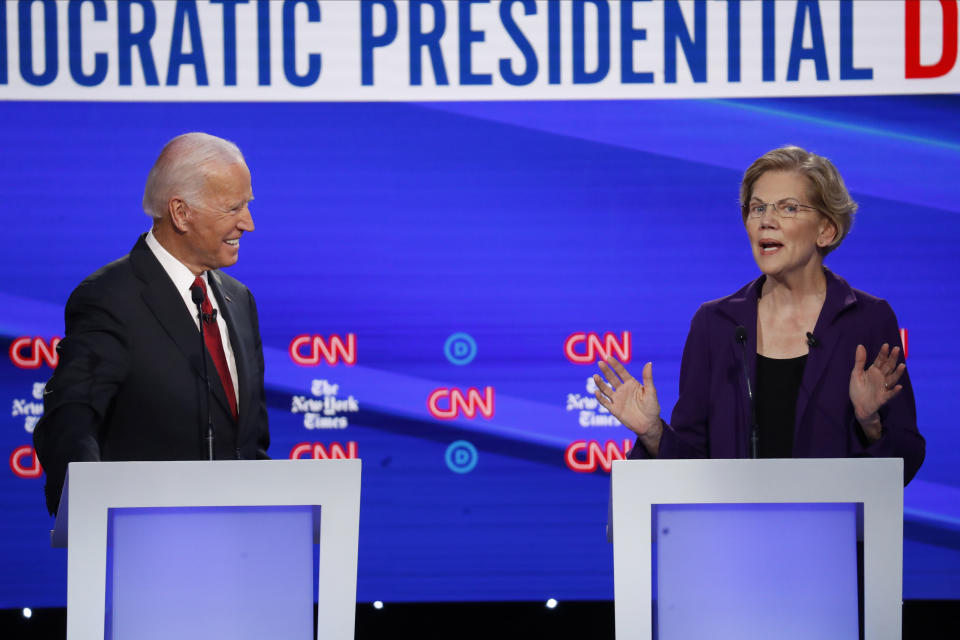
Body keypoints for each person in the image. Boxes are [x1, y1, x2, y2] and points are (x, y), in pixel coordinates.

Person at [593, 146, 924, 484]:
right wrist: (652, 432)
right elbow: (693, 464)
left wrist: (870, 422)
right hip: (730, 533)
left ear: (827, 230)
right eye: (757, 208)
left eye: (789, 208)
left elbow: (907, 457)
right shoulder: (715, 325)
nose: (767, 220)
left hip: (832, 532)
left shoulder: (866, 319)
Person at [34, 132, 270, 515]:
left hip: (239, 551)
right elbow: (72, 420)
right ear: (181, 212)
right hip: (145, 547)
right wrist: (91, 515)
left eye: (248, 206)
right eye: (233, 208)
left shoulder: (239, 300)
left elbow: (251, 444)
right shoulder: (110, 298)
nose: (249, 224)